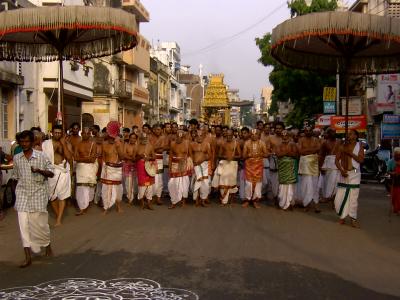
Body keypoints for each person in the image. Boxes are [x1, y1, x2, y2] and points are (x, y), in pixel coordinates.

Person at [12, 130, 54, 268]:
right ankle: (27, 257)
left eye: (27, 141)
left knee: (40, 224)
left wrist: (39, 170)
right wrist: (15, 195)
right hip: (23, 195)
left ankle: (47, 244)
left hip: (38, 194)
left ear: (32, 142)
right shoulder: (17, 158)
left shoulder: (41, 156)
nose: (24, 144)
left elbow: (51, 173)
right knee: (23, 226)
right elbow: (15, 177)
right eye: (22, 141)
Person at [42, 125, 73, 226]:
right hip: (51, 171)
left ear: (62, 133)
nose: (57, 134)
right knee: (52, 196)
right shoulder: (46, 144)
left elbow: (69, 157)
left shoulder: (66, 143)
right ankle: (58, 214)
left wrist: (63, 144)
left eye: (59, 133)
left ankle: (59, 219)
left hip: (62, 171)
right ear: (52, 132)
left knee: (62, 196)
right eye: (55, 132)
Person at [334, 130, 364, 227]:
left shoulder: (360, 146)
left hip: (355, 173)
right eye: (348, 134)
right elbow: (336, 161)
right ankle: (342, 216)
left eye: (351, 134)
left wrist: (350, 153)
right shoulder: (342, 146)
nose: (348, 135)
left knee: (353, 198)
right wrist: (342, 170)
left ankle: (353, 219)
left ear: (356, 136)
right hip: (344, 173)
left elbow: (360, 160)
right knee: (339, 197)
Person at [213, 129, 241, 206]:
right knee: (223, 183)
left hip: (233, 164)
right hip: (224, 164)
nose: (228, 137)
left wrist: (232, 157)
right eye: (227, 135)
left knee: (232, 183)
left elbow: (240, 155)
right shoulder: (223, 143)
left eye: (230, 135)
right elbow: (219, 155)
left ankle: (232, 200)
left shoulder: (236, 143)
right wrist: (225, 157)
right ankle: (223, 201)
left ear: (233, 135)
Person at [74, 127, 98, 215]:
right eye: (84, 133)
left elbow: (92, 160)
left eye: (88, 133)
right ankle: (82, 207)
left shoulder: (93, 144)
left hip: (90, 168)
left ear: (90, 134)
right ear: (82, 133)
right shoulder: (78, 144)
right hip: (81, 169)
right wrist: (86, 158)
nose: (86, 135)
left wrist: (82, 159)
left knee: (89, 188)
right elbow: (75, 158)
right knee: (81, 187)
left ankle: (86, 204)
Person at [297, 126, 321, 213]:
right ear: (304, 131)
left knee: (315, 184)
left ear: (312, 131)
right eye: (306, 130)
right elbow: (300, 151)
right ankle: (306, 204)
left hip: (314, 163)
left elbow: (318, 149)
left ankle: (316, 204)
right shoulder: (301, 140)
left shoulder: (315, 139)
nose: (308, 132)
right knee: (305, 184)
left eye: (309, 130)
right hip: (304, 163)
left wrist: (306, 151)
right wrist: (312, 150)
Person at [100, 129, 124, 214]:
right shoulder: (104, 144)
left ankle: (118, 206)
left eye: (113, 136)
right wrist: (103, 167)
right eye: (110, 135)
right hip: (107, 169)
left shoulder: (118, 144)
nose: (111, 137)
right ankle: (106, 207)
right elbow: (103, 157)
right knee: (106, 189)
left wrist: (118, 147)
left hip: (116, 169)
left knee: (117, 188)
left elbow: (122, 157)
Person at [242, 129, 267, 208]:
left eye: (256, 134)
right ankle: (247, 200)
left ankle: (255, 201)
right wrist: (249, 155)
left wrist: (259, 154)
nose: (254, 136)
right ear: (250, 135)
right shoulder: (247, 143)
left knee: (258, 185)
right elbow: (243, 156)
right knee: (248, 184)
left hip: (258, 166)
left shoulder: (262, 143)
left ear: (259, 135)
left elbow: (266, 154)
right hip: (249, 166)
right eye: (252, 134)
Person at [168, 130, 191, 209]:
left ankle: (183, 202)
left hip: (184, 165)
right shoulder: (172, 143)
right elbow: (170, 156)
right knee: (172, 184)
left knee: (184, 184)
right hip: (174, 166)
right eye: (178, 136)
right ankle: (174, 202)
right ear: (176, 136)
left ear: (183, 136)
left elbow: (190, 155)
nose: (179, 138)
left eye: (181, 136)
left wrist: (186, 162)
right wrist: (169, 168)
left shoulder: (187, 143)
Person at [276, 130, 298, 211]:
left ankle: (289, 203)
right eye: (283, 135)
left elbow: (295, 154)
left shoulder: (292, 144)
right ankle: (282, 203)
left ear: (288, 136)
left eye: (286, 135)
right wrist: (287, 152)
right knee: (282, 186)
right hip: (282, 168)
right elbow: (278, 154)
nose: (284, 137)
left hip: (290, 167)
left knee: (290, 186)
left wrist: (284, 153)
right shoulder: (279, 145)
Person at [319, 128, 341, 203]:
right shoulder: (324, 143)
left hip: (338, 164)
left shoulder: (340, 141)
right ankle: (328, 197)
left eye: (334, 132)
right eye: (331, 132)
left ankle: (335, 198)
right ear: (328, 134)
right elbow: (321, 155)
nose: (333, 133)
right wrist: (320, 167)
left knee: (337, 182)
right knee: (328, 182)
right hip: (328, 164)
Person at [190, 132, 211, 206]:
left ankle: (203, 200)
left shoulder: (207, 144)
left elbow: (209, 156)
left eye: (201, 135)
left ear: (203, 136)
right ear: (195, 136)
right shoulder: (192, 144)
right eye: (197, 136)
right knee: (197, 182)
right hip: (195, 165)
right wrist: (193, 162)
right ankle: (196, 199)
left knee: (204, 183)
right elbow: (190, 154)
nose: (199, 137)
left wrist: (202, 160)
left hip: (204, 165)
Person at [136, 133, 156, 210]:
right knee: (142, 186)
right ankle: (142, 203)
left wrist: (149, 158)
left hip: (148, 168)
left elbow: (154, 157)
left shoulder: (150, 146)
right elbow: (134, 159)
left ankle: (149, 203)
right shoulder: (137, 147)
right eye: (142, 139)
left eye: (145, 139)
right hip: (140, 167)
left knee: (149, 186)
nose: (144, 140)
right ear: (140, 139)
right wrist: (139, 156)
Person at [151, 124, 168, 205]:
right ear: (153, 130)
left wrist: (155, 148)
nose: (158, 131)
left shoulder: (163, 137)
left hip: (160, 159)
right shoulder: (150, 137)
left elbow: (164, 149)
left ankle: (158, 197)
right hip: (151, 160)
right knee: (152, 178)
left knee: (160, 179)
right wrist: (158, 148)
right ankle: (151, 197)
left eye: (159, 129)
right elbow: (150, 148)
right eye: (156, 129)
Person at [122, 133, 138, 205]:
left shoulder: (138, 146)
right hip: (127, 165)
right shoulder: (126, 145)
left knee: (135, 182)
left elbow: (139, 155)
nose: (132, 139)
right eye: (131, 138)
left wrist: (134, 159)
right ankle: (130, 198)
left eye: (134, 138)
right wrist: (131, 158)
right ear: (129, 138)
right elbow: (124, 154)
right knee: (128, 182)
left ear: (136, 139)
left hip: (136, 165)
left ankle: (136, 196)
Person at [388, 148, 400, 215]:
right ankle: (395, 208)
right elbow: (388, 171)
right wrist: (392, 173)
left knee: (398, 196)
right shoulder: (391, 161)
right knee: (394, 196)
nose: (398, 156)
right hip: (393, 180)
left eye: (399, 155)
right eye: (396, 154)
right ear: (394, 155)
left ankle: (398, 209)